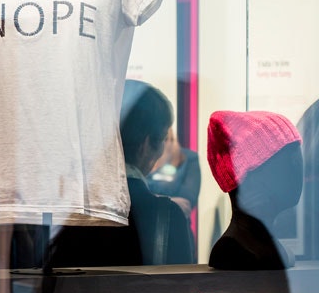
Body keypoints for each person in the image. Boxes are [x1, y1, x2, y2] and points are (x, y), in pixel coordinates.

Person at [48, 80, 195, 267]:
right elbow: (182, 291)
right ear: (146, 144)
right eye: (164, 139)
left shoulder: (77, 209)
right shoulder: (169, 216)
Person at [207, 110, 300, 269]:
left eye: (297, 156)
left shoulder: (271, 248)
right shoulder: (231, 251)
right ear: (250, 175)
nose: (298, 167)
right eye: (289, 158)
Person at [147, 127, 201, 217]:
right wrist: (167, 202)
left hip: (175, 225)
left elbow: (186, 203)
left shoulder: (188, 158)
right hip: (142, 225)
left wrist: (149, 201)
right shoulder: (141, 155)